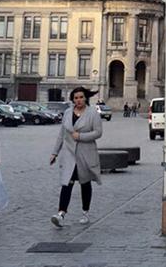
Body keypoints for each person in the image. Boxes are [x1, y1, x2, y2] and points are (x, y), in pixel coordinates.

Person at [49, 86, 102, 228]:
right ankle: (61, 214)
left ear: (86, 98)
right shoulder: (67, 113)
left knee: (85, 183)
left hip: (85, 153)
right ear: (73, 99)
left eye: (81, 97)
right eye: (76, 98)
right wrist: (55, 152)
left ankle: (85, 212)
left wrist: (81, 136)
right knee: (67, 183)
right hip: (69, 154)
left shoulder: (92, 113)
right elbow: (62, 134)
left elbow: (98, 132)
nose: (78, 100)